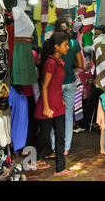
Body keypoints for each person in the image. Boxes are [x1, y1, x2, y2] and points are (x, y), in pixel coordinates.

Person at [34, 32, 77, 177]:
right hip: (47, 107)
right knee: (45, 137)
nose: (68, 47)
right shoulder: (51, 63)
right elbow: (45, 86)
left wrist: (61, 99)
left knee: (60, 137)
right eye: (65, 45)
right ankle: (34, 159)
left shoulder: (60, 62)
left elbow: (56, 85)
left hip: (58, 104)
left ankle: (61, 168)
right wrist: (46, 107)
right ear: (57, 47)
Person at [48, 18, 84, 157]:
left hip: (56, 83)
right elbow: (81, 65)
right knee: (68, 116)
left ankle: (53, 146)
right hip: (69, 82)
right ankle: (66, 148)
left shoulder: (52, 43)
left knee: (54, 115)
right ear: (69, 29)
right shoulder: (74, 43)